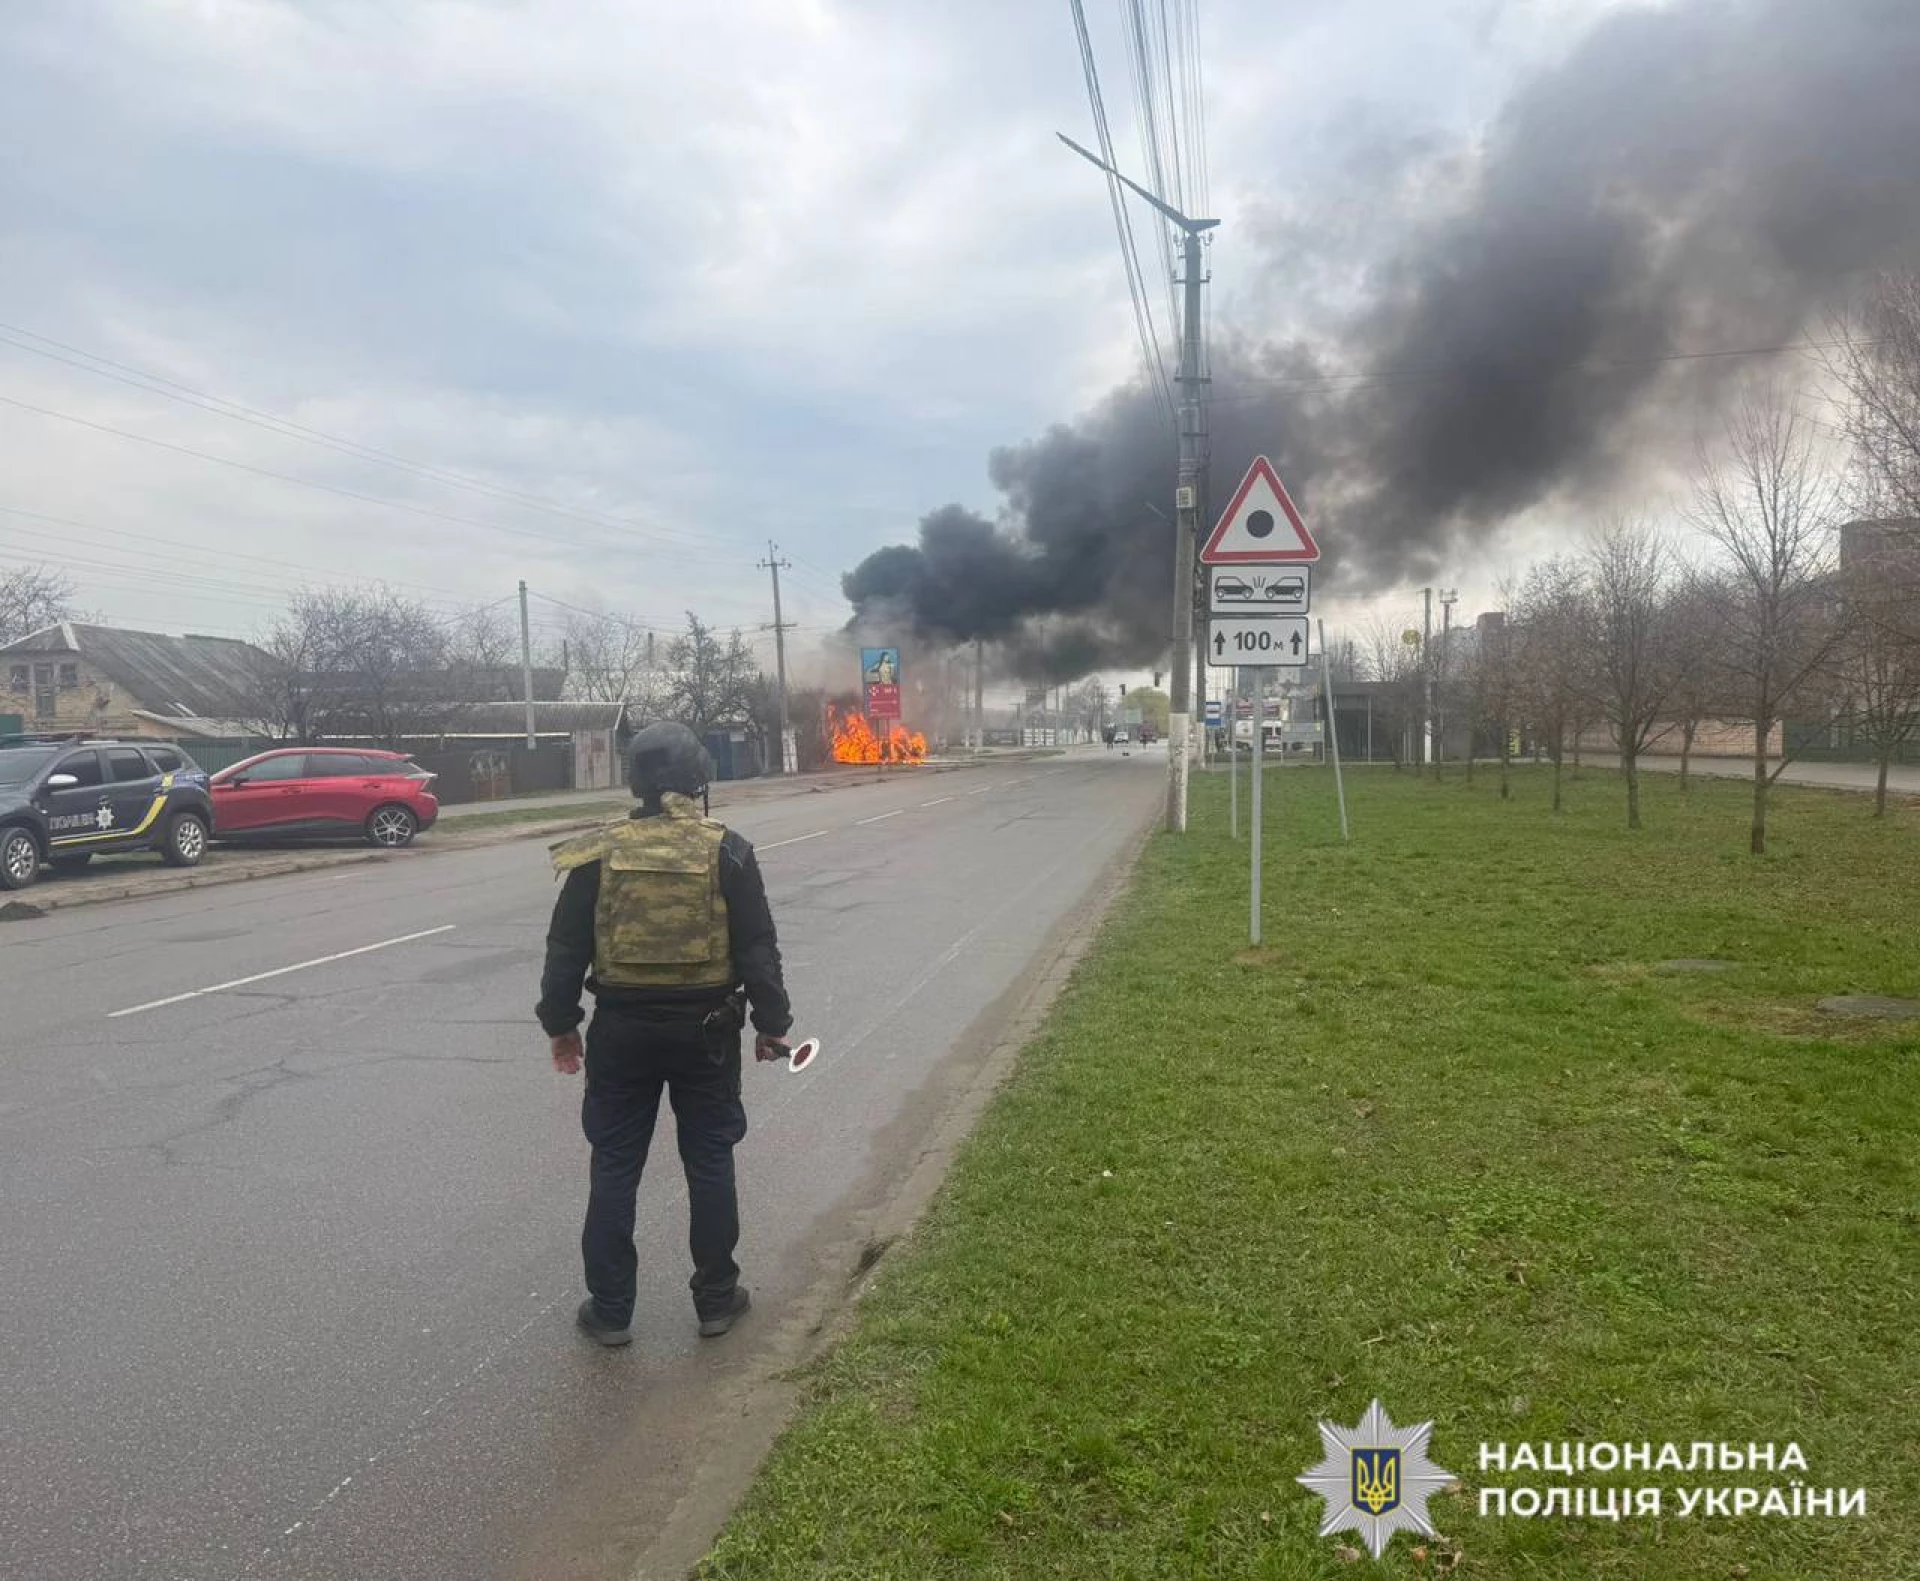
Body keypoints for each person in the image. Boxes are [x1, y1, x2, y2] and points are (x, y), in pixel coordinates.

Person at [536, 721, 793, 1349]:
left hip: (621, 1032)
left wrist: (561, 1024)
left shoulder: (597, 851)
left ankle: (611, 1309)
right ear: (697, 780)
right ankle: (715, 1299)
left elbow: (566, 947)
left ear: (637, 781)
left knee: (616, 1164)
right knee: (708, 1159)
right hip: (706, 1031)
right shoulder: (727, 849)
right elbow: (757, 945)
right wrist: (771, 1024)